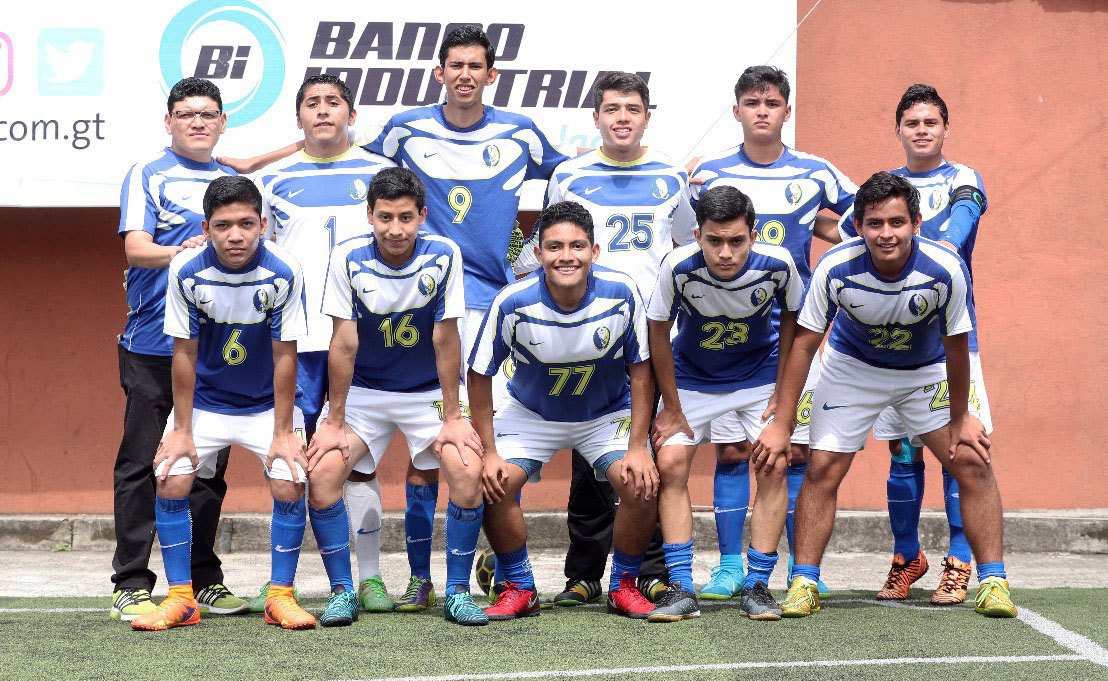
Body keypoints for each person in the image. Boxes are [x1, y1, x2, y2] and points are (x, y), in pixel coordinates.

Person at [360, 25, 568, 610]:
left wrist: (529, 254)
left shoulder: (519, 132)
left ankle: (506, 571)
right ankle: (422, 579)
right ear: (439, 72)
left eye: (476, 65)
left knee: (491, 448)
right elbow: (350, 166)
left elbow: (572, 176)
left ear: (491, 74)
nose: (466, 74)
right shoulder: (405, 129)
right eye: (455, 64)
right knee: (430, 459)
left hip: (492, 310)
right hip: (426, 308)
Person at [756, 171, 1016, 619]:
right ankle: (804, 582)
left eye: (896, 222)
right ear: (858, 226)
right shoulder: (835, 267)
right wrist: (782, 422)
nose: (886, 234)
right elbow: (804, 342)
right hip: (853, 369)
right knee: (821, 469)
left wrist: (960, 417)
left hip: (924, 371)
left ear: (916, 222)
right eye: (875, 223)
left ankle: (993, 581)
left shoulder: (945, 268)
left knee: (972, 460)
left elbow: (957, 346)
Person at [512, 71, 693, 606]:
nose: (621, 118)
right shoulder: (569, 174)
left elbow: (686, 244)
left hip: (649, 335)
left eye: (632, 109)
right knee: (590, 458)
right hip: (585, 330)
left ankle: (648, 570)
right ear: (595, 118)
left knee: (647, 454)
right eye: (611, 108)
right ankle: (583, 573)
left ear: (646, 117)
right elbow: (545, 243)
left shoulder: (670, 176)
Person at [688, 65, 856, 598]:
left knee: (794, 452)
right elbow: (684, 240)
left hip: (795, 337)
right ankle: (730, 567)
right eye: (752, 102)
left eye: (773, 102)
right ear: (736, 111)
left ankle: (800, 569)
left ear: (788, 110)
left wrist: (824, 231)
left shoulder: (816, 171)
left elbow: (861, 217)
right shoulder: (706, 174)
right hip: (726, 341)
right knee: (733, 452)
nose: (762, 110)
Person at [131, 175, 316, 631]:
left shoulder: (285, 270)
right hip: (207, 404)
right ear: (206, 227)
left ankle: (280, 596)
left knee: (291, 480)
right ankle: (181, 598)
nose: (236, 235)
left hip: (265, 408)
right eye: (223, 225)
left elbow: (285, 355)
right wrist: (183, 430)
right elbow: (184, 353)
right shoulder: (186, 270)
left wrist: (283, 431)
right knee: (171, 477)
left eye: (246, 223)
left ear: (263, 224)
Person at [306, 167, 487, 626]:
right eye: (385, 217)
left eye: (406, 217)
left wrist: (453, 415)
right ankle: (344, 590)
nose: (395, 229)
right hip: (365, 394)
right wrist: (335, 420)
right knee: (323, 475)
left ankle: (458, 591)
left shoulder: (444, 254)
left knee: (467, 473)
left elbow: (447, 338)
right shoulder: (347, 257)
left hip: (425, 394)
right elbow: (343, 342)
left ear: (422, 215)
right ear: (369, 215)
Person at [469, 201, 659, 621]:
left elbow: (642, 371)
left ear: (595, 250)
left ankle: (623, 585)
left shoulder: (622, 293)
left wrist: (638, 445)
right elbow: (479, 373)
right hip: (531, 414)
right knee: (493, 483)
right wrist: (489, 451)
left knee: (641, 483)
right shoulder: (512, 301)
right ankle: (520, 587)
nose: (566, 256)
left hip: (605, 414)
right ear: (538, 254)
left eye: (577, 246)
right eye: (554, 247)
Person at [838, 84, 991, 605]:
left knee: (958, 448)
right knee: (902, 452)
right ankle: (908, 557)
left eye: (931, 122)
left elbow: (962, 223)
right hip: (891, 344)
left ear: (945, 129)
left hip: (946, 338)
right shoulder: (883, 188)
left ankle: (959, 561)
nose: (922, 129)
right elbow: (847, 231)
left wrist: (933, 246)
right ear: (899, 130)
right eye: (912, 122)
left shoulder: (962, 178)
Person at [255, 73, 396, 613]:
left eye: (333, 102)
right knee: (293, 462)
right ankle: (288, 587)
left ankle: (369, 579)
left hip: (363, 340)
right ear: (298, 120)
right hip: (299, 341)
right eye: (311, 104)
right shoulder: (275, 179)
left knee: (353, 462)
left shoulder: (379, 173)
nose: (322, 111)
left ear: (351, 114)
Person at [111, 77, 245, 621]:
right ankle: (131, 581)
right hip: (152, 344)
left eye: (208, 114)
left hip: (217, 346)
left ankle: (202, 578)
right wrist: (182, 250)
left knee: (207, 467)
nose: (198, 122)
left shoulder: (233, 180)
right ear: (169, 122)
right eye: (187, 114)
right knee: (142, 463)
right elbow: (136, 249)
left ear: (221, 123)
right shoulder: (147, 173)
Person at [647, 185, 802, 623]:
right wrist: (672, 406)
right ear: (697, 235)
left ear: (753, 235)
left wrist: (781, 397)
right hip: (694, 376)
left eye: (736, 241)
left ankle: (757, 585)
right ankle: (680, 587)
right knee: (671, 463)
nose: (726, 252)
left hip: (759, 377)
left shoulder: (778, 264)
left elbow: (794, 320)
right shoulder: (677, 267)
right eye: (714, 241)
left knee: (773, 463)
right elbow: (658, 330)